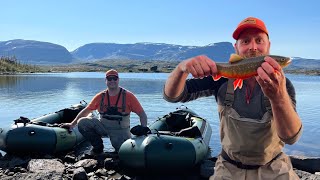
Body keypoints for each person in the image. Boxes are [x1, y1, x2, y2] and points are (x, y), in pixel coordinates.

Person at [163, 17, 302, 179]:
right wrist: (181, 68)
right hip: (229, 168)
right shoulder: (221, 79)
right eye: (245, 41)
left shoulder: (282, 85)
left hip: (274, 167)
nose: (253, 47)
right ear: (236, 48)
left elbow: (291, 137)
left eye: (259, 40)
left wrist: (278, 97)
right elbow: (173, 96)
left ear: (268, 46)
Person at [61, 69, 147, 154]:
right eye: (109, 78)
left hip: (120, 130)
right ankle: (98, 147)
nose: (112, 81)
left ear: (118, 80)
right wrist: (72, 124)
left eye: (115, 78)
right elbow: (87, 110)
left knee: (123, 153)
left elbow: (142, 114)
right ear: (106, 81)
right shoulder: (100, 96)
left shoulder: (128, 96)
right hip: (103, 127)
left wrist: (143, 129)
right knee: (83, 122)